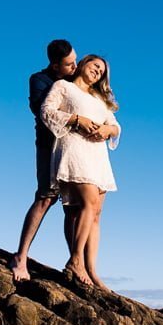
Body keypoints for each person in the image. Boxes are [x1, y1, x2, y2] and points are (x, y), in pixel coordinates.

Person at [40, 54, 120, 290]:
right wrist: (77, 119)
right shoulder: (63, 87)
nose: (98, 72)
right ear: (83, 63)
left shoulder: (99, 99)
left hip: (98, 157)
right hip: (74, 148)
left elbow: (116, 126)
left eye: (102, 72)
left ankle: (91, 269)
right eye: (95, 66)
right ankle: (75, 261)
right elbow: (47, 111)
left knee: (94, 212)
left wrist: (107, 129)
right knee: (86, 204)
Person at [9, 39, 79, 282]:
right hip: (49, 146)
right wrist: (77, 118)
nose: (75, 67)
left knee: (72, 206)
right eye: (69, 64)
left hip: (73, 149)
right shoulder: (38, 80)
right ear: (55, 65)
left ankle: (75, 263)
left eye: (75, 61)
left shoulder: (75, 78)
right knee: (45, 197)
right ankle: (21, 257)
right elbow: (43, 111)